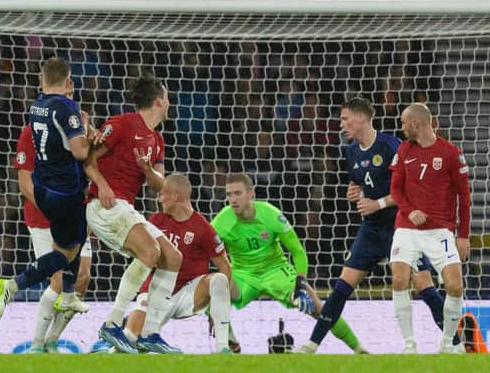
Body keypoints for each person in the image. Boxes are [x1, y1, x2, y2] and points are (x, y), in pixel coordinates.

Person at [298, 97, 461, 354]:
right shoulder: (350, 151)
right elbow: (359, 183)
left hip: (402, 227)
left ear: (361, 118)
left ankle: (458, 343)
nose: (341, 125)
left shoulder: (391, 146)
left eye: (344, 119)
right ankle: (312, 344)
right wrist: (354, 193)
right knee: (342, 286)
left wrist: (379, 203)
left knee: (424, 286)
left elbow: (411, 188)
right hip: (372, 229)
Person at [0, 57, 97, 324]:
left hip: (57, 193)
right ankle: (13, 285)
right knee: (63, 258)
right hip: (58, 196)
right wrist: (83, 127)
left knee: (75, 249)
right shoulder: (66, 110)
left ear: (41, 81)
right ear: (69, 82)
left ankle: (68, 296)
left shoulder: (37, 108)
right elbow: (80, 151)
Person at [211, 173, 367, 354]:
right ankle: (231, 343)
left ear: (251, 194)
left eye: (237, 193)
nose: (232, 199)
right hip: (243, 275)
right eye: (229, 194)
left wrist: (300, 284)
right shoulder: (221, 221)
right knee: (214, 291)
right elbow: (203, 248)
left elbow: (297, 252)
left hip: (276, 270)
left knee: (317, 306)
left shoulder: (271, 214)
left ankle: (359, 350)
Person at [84, 72, 183, 354]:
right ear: (160, 100)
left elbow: (160, 185)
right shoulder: (122, 123)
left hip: (125, 207)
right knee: (150, 253)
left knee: (172, 257)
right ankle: (113, 325)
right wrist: (102, 185)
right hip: (104, 205)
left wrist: (146, 169)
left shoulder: (157, 140)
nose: (169, 104)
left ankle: (149, 333)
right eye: (167, 99)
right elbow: (89, 160)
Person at [389, 103, 470, 354]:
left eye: (404, 123)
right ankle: (409, 344)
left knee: (455, 286)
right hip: (407, 228)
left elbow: (464, 197)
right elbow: (395, 189)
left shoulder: (450, 153)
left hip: (439, 231)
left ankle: (447, 344)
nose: (401, 128)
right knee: (399, 279)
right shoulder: (403, 150)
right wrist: (409, 210)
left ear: (417, 124)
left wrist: (463, 235)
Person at [121, 174, 233, 353]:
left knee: (219, 279)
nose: (159, 198)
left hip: (186, 294)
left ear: (175, 196)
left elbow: (225, 266)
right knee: (129, 339)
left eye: (162, 194)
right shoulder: (156, 221)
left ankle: (222, 349)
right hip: (155, 291)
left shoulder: (203, 228)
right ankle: (103, 355)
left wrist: (217, 307)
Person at [13, 124, 93, 353]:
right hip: (42, 217)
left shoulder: (79, 131)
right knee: (58, 281)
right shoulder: (31, 132)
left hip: (74, 214)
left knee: (82, 278)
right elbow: (25, 184)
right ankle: (37, 345)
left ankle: (52, 341)